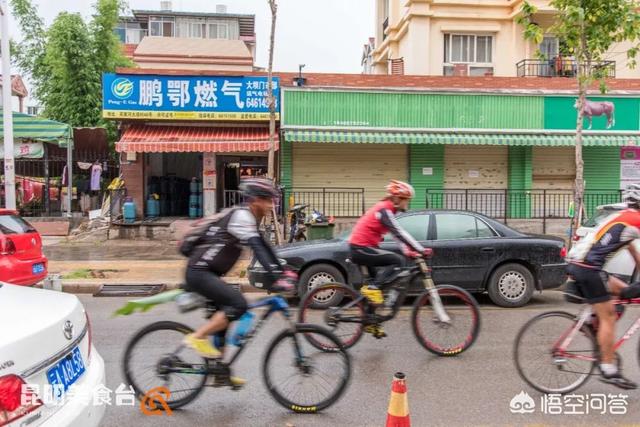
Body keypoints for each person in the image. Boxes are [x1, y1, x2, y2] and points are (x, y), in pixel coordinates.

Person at [182, 178, 295, 385]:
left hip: (209, 274)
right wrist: (276, 279)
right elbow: (258, 249)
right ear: (255, 201)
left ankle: (219, 372)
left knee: (225, 321)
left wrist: (282, 271)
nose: (272, 205)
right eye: (268, 200)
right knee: (239, 304)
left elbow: (265, 246)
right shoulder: (242, 217)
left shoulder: (248, 217)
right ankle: (196, 337)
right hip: (199, 273)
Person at [567, 183, 640, 389]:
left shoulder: (623, 218)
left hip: (581, 264)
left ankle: (591, 322)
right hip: (588, 269)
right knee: (608, 316)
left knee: (623, 293)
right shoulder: (635, 220)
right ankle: (608, 368)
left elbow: (634, 252)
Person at [348, 180, 431, 335]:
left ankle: (370, 322)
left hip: (364, 248)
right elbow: (400, 232)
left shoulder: (388, 211)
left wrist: (408, 251)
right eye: (407, 199)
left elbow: (395, 235)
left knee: (376, 287)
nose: (408, 203)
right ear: (398, 198)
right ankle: (373, 290)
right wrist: (420, 249)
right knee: (396, 261)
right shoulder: (385, 209)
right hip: (361, 248)